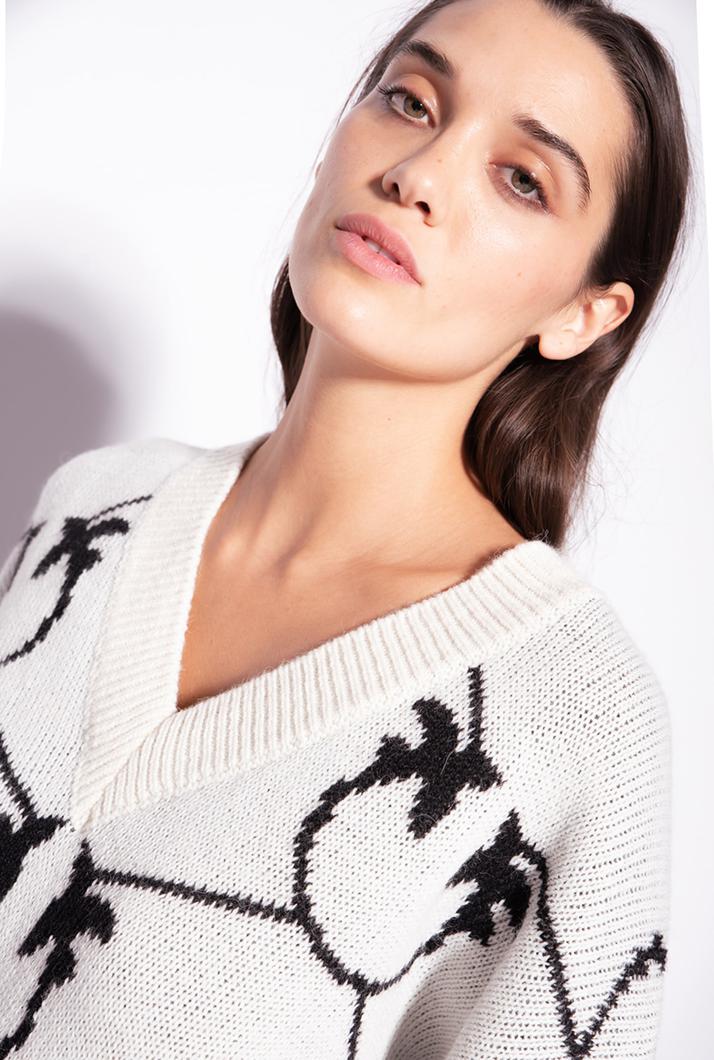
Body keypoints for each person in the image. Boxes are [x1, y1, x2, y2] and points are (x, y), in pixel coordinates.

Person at [0, 0, 692, 1056]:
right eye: (409, 101)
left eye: (522, 179)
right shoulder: (93, 507)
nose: (418, 174)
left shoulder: (577, 721)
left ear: (583, 314)